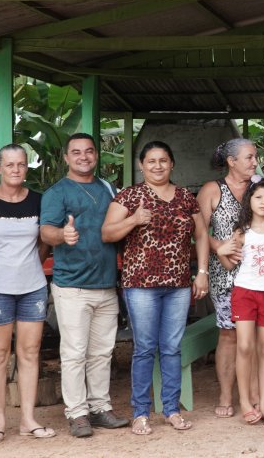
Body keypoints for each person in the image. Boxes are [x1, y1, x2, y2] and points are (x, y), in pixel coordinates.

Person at [101, 140, 210, 435]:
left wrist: (201, 272)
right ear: (141, 165)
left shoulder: (186, 197)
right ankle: (140, 413)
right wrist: (134, 220)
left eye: (163, 160)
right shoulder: (130, 196)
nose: (157, 166)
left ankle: (171, 410)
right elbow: (107, 233)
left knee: (172, 348)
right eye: (151, 161)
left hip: (177, 284)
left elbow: (201, 236)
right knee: (145, 349)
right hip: (140, 284)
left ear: (172, 164)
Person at [40, 132, 129, 437]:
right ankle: (77, 414)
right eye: (76, 152)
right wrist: (62, 236)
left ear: (96, 155)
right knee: (75, 352)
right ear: (67, 158)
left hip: (106, 284)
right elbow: (46, 232)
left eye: (89, 151)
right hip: (72, 287)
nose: (83, 157)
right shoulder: (57, 192)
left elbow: (118, 227)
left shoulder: (107, 188)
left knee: (102, 352)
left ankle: (100, 408)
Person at [0, 144, 55, 443]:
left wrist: (35, 261)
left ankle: (28, 420)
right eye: (9, 165)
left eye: (21, 164)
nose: (16, 170)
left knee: (30, 353)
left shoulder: (38, 201)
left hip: (32, 287)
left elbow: (45, 240)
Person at [218, 175, 264, 427]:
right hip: (245, 293)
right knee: (245, 347)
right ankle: (245, 404)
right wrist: (220, 251)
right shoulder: (242, 233)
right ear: (250, 200)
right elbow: (230, 264)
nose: (263, 202)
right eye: (258, 197)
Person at [197, 137, 258, 418]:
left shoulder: (261, 188)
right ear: (231, 161)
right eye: (249, 157)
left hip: (257, 274)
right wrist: (219, 246)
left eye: (255, 157)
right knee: (229, 335)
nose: (254, 162)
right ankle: (225, 395)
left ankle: (255, 394)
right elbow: (198, 231)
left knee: (256, 336)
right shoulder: (212, 189)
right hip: (225, 276)